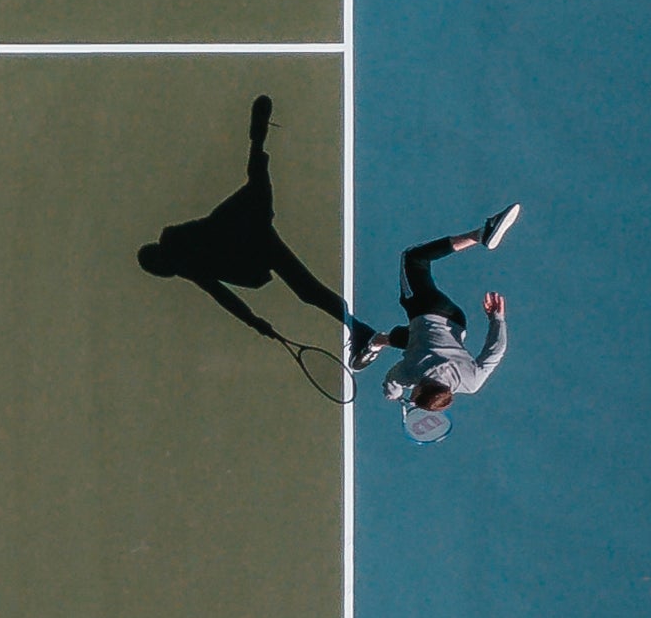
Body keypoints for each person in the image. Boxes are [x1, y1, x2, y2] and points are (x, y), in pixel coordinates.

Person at [136, 96, 378, 366]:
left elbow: (221, 294)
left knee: (307, 290)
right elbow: (221, 291)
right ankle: (258, 137)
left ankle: (361, 330)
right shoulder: (177, 247)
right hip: (250, 216)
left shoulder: (182, 259)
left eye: (159, 270)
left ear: (160, 260)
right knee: (306, 287)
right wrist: (254, 320)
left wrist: (254, 321)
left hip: (253, 237)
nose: (164, 273)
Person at [369, 205, 521, 442]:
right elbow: (392, 382)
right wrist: (394, 394)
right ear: (420, 389)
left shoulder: (472, 383)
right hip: (426, 309)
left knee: (412, 341)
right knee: (413, 258)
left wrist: (496, 318)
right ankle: (481, 234)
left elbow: (496, 350)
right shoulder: (410, 372)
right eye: (416, 392)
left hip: (456, 320)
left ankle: (377, 341)